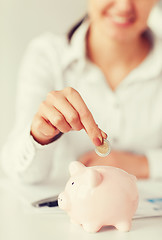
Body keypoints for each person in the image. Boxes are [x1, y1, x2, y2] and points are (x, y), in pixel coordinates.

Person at [1, 0, 162, 185]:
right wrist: (40, 135)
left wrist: (143, 164)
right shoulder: (47, 56)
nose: (125, 6)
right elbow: (20, 173)